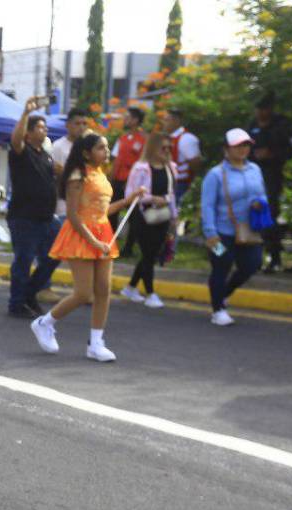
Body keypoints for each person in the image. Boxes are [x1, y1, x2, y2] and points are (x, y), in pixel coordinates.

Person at [30, 133, 144, 361]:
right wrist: (93, 241)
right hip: (81, 234)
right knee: (83, 293)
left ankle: (96, 343)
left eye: (107, 147)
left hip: (102, 233)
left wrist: (127, 201)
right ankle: (44, 322)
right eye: (101, 147)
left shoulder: (100, 174)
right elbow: (72, 215)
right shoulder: (76, 175)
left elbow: (102, 211)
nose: (107, 151)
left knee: (103, 290)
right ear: (86, 152)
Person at [200, 128, 269, 326]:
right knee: (221, 266)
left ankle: (224, 294)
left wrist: (260, 202)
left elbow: (262, 192)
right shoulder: (215, 174)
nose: (243, 149)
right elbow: (207, 205)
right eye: (238, 145)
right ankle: (218, 309)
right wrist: (210, 233)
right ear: (226, 149)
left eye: (246, 145)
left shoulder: (255, 169)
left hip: (249, 231)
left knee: (252, 264)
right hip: (221, 233)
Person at [7, 97, 61, 318]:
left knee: (55, 255)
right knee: (24, 260)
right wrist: (25, 114)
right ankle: (17, 303)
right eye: (39, 127)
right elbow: (16, 140)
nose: (45, 129)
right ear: (28, 133)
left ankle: (29, 293)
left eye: (44, 126)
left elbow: (61, 173)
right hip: (24, 217)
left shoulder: (46, 156)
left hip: (47, 218)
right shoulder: (21, 152)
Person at [120, 131, 176, 309]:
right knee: (148, 254)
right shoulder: (141, 168)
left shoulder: (171, 168)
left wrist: (172, 211)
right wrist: (151, 198)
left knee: (151, 254)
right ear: (153, 147)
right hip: (142, 216)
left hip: (162, 216)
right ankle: (150, 293)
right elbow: (130, 194)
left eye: (169, 148)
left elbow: (172, 194)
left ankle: (130, 287)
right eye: (163, 147)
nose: (166, 151)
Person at [245, 94, 292, 273]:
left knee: (269, 213)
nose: (260, 112)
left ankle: (274, 257)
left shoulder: (282, 124)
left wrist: (273, 154)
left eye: (264, 108)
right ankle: (254, 257)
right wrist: (253, 155)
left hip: (272, 174)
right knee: (251, 213)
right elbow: (243, 148)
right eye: (258, 109)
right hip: (252, 174)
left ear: (270, 109)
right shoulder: (252, 125)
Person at [110, 107, 146, 257]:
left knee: (133, 216)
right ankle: (111, 243)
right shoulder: (123, 138)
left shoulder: (144, 139)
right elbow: (114, 158)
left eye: (128, 117)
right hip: (117, 181)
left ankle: (128, 248)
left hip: (131, 183)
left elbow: (143, 163)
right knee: (112, 212)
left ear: (136, 120)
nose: (125, 120)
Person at [52, 107, 90, 217]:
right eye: (77, 124)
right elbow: (54, 175)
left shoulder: (89, 147)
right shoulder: (58, 146)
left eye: (84, 123)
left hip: (85, 203)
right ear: (67, 125)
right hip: (64, 203)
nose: (81, 127)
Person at [165, 109, 202, 206]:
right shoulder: (168, 137)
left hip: (180, 184)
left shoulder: (187, 138)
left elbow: (195, 164)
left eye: (167, 120)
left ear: (176, 121)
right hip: (167, 183)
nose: (164, 123)